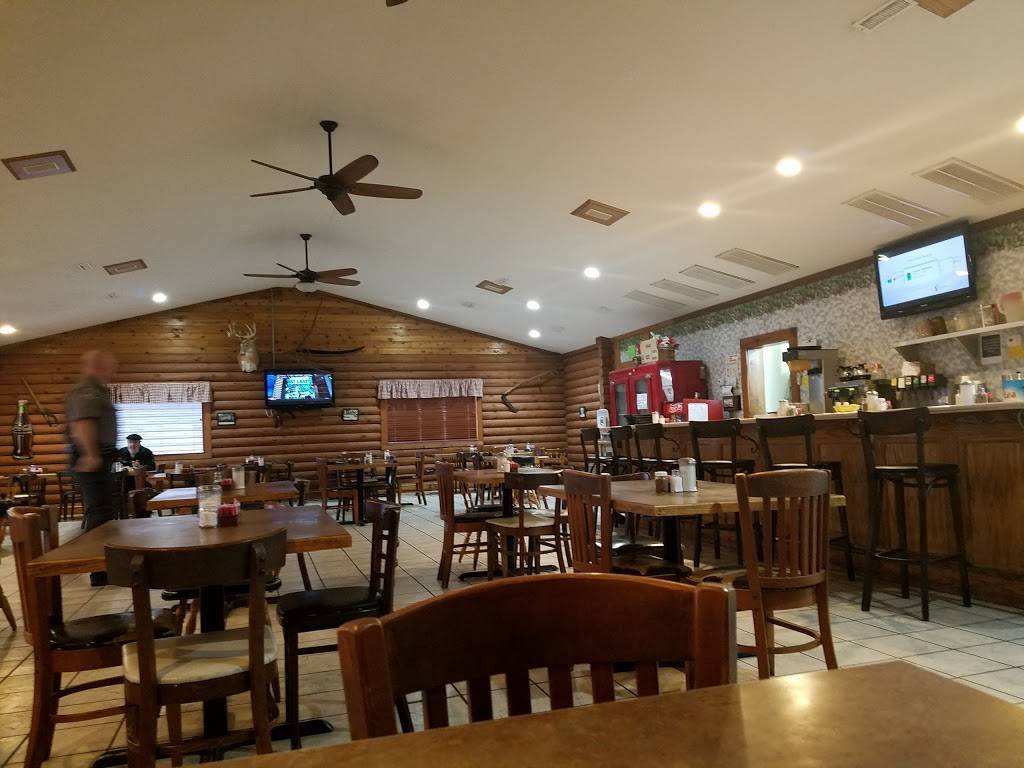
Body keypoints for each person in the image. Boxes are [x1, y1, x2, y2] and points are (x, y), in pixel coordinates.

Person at [65, 350, 118, 586]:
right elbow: (83, 422)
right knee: (99, 515)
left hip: (100, 455)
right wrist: (91, 454)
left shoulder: (97, 390)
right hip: (94, 456)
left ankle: (104, 567)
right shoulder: (87, 390)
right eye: (109, 365)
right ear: (96, 366)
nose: (112, 370)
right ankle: (99, 571)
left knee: (102, 513)